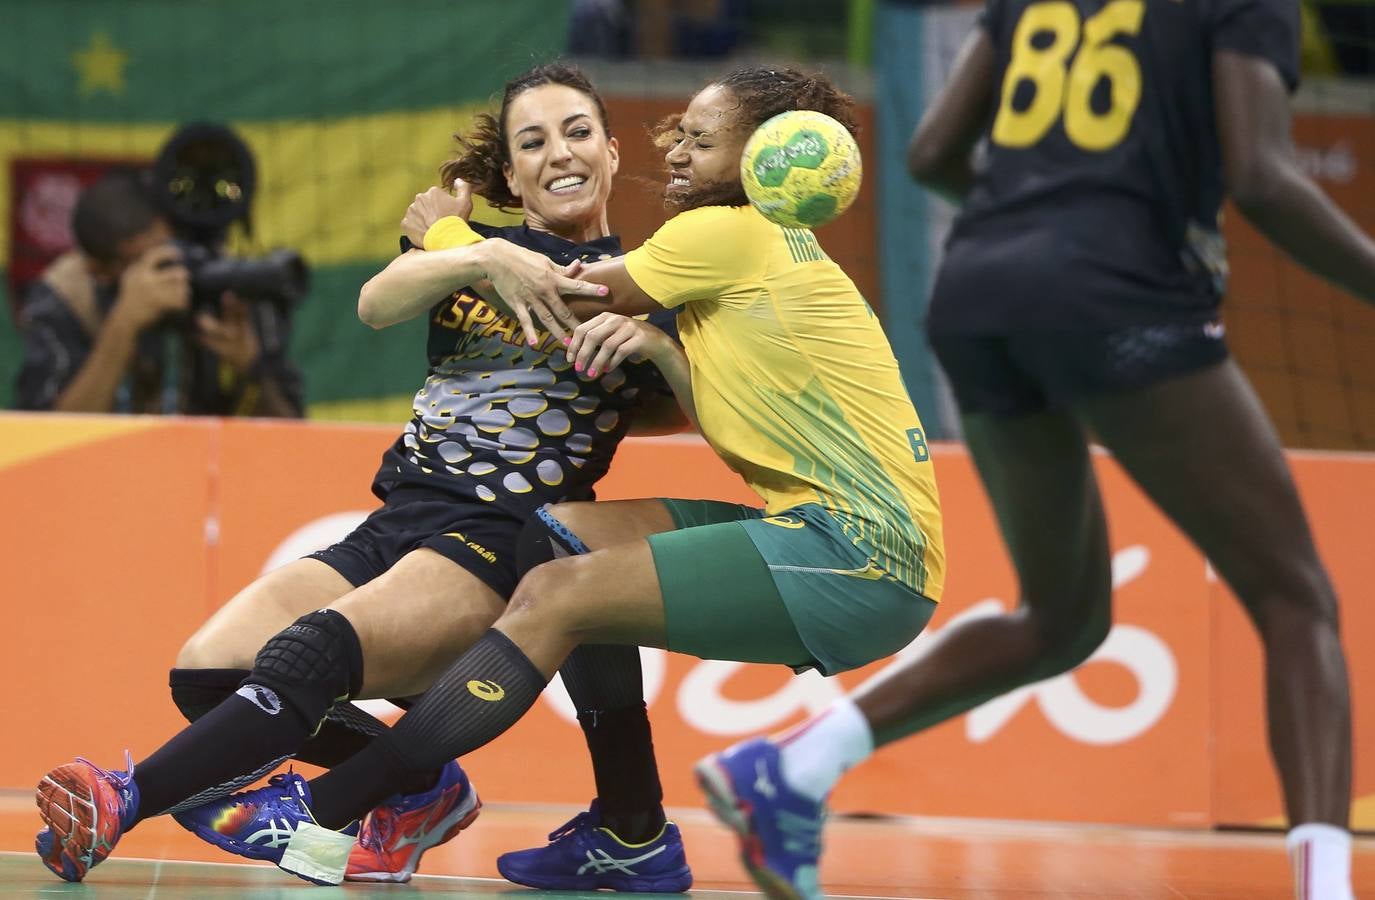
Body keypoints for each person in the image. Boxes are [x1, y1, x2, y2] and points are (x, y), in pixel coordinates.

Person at [101, 64, 946, 889]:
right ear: (510, 169)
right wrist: (647, 344)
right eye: (677, 134)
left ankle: (330, 805)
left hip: (852, 548)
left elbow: (575, 297)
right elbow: (717, 418)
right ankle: (631, 831)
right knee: (570, 541)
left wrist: (445, 233)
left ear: (758, 157)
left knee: (559, 594)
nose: (677, 153)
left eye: (699, 139)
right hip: (443, 511)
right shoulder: (718, 270)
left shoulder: (703, 242)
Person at [692, 1, 1375, 898]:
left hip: (980, 292)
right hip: (1122, 299)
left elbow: (932, 151)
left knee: (1060, 620)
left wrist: (1039, 225)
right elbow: (1260, 176)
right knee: (1295, 598)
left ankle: (794, 770)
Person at [34, 63, 693, 893]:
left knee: (312, 654)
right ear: (512, 170)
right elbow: (378, 304)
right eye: (532, 141)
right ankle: (418, 789)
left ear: (608, 147)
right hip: (399, 518)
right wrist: (482, 252)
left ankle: (118, 803)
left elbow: (685, 410)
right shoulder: (480, 253)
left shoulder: (641, 284)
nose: (557, 152)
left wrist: (650, 354)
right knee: (208, 674)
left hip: (498, 537)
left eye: (575, 132)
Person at [13, 173, 303, 417]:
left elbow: (295, 443)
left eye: (171, 250)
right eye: (149, 264)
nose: (172, 273)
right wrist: (122, 326)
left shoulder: (222, 285)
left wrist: (252, 368)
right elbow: (52, 444)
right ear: (100, 271)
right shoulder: (68, 294)